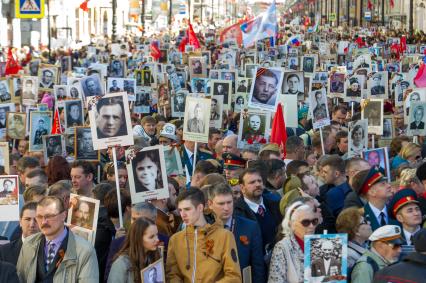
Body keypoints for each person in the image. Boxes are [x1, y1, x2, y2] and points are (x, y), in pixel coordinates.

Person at [16, 196, 99, 282]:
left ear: (63, 215)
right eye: (39, 217)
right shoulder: (29, 243)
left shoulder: (85, 250)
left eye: (49, 216)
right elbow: (19, 278)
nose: (44, 222)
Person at [166, 188, 241, 282]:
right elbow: (172, 275)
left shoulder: (225, 236)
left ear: (200, 208)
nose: (183, 214)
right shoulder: (175, 240)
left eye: (187, 209)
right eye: (180, 210)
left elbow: (234, 276)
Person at [206, 183, 266, 282]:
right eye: (221, 204)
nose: (226, 208)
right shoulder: (203, 229)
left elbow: (258, 266)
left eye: (229, 202)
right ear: (210, 204)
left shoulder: (250, 227)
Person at [269, 201, 319, 282]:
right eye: (305, 222)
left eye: (314, 221)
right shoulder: (282, 247)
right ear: (291, 225)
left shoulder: (322, 243)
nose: (312, 226)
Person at [234, 167, 282, 251]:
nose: (258, 184)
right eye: (252, 182)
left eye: (259, 181)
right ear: (242, 188)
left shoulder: (275, 204)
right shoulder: (236, 211)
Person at [107, 217, 161, 283]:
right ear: (138, 239)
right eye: (151, 237)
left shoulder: (155, 255)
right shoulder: (121, 263)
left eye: (157, 235)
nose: (157, 240)